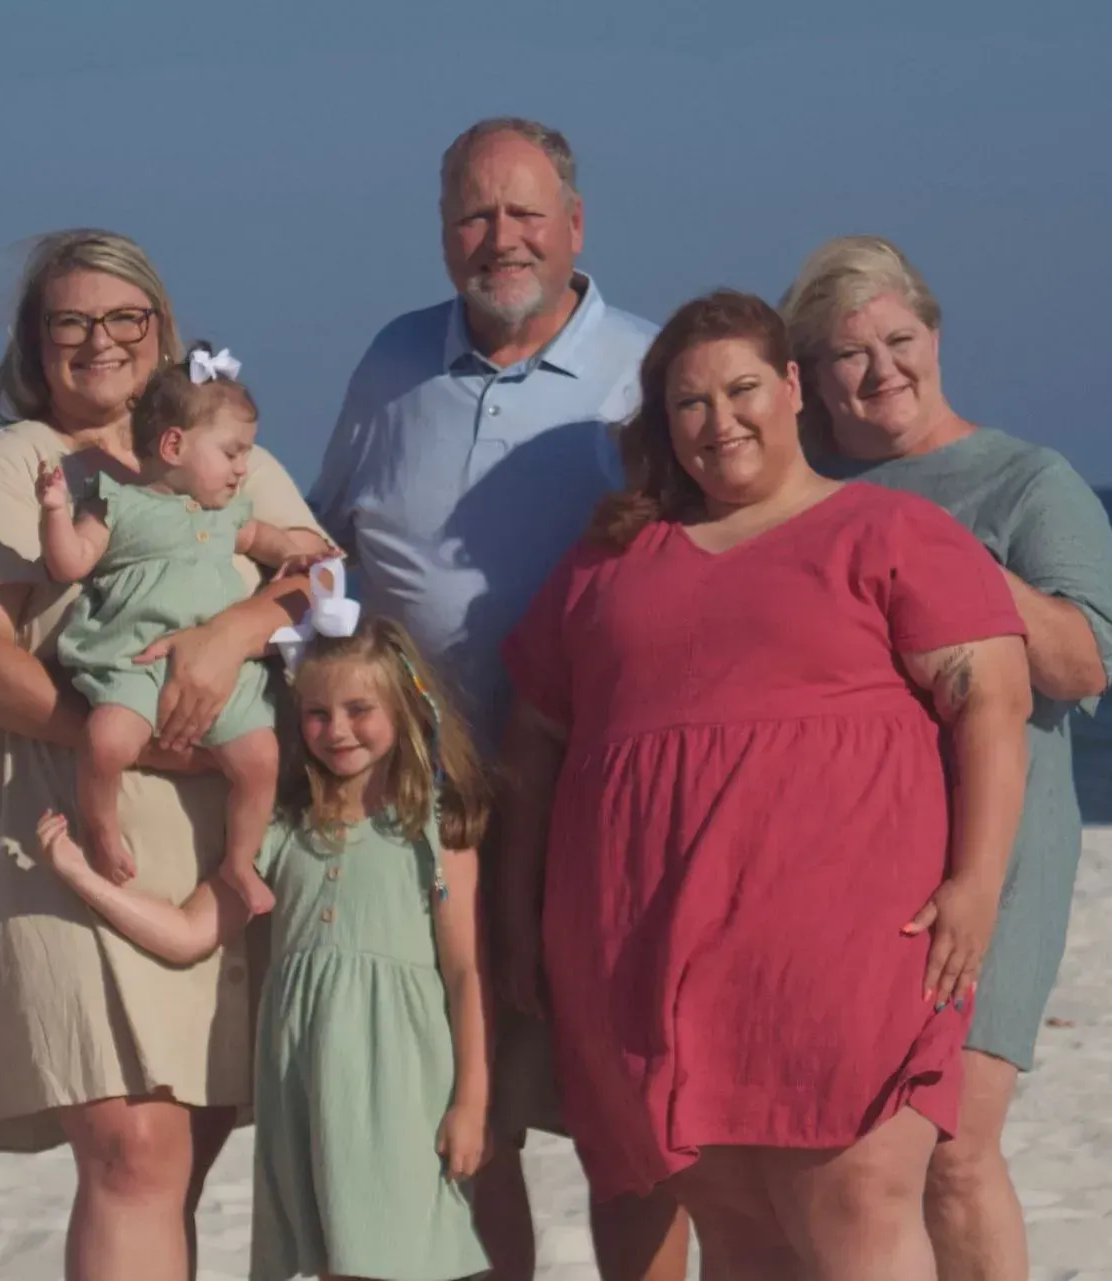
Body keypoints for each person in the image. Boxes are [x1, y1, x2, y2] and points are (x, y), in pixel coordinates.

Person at [499, 289, 1034, 1280]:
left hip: (845, 948)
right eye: (690, 405)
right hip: (645, 959)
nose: (719, 422)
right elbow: (533, 747)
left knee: (858, 1206)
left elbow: (992, 706)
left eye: (742, 389)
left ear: (792, 389)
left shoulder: (887, 532)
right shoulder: (612, 560)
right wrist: (523, 918)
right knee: (740, 1237)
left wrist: (978, 884)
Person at [0, 229, 326, 1281]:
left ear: (163, 332)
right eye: (70, 321)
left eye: (125, 318)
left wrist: (232, 634)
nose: (100, 341)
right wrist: (124, 738)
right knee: (133, 1147)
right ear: (34, 346)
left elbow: (320, 585)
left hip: (220, 832)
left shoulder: (236, 457)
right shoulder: (7, 471)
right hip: (50, 825)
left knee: (189, 1145)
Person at [307, 115, 683, 1281]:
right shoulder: (392, 361)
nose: (501, 238)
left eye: (526, 213)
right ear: (442, 232)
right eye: (476, 214)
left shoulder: (652, 367)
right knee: (467, 1112)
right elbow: (326, 548)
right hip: (429, 805)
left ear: (576, 224)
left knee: (629, 1122)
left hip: (605, 803)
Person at [781, 235, 1112, 1281]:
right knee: (845, 1156)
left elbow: (1085, 661)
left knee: (955, 1154)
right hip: (845, 862)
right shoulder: (802, 484)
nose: (882, 368)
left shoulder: (1026, 479)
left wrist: (957, 570)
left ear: (936, 337)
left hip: (999, 854)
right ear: (810, 377)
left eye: (899, 339)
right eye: (851, 353)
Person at [37, 616, 492, 1281]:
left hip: (403, 1082)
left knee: (404, 1253)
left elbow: (464, 973)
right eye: (316, 712)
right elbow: (190, 931)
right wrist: (81, 876)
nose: (337, 729)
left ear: (403, 704)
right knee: (340, 1256)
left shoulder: (434, 829)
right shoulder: (283, 831)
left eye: (359, 709)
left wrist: (471, 1102)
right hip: (307, 1082)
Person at [37, 343, 330, 917]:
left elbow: (266, 540)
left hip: (226, 675)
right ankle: (100, 826)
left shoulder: (228, 513)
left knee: (260, 758)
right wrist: (53, 510)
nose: (243, 467)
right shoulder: (117, 503)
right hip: (135, 661)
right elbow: (70, 562)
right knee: (106, 741)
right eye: (232, 452)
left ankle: (240, 862)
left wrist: (302, 555)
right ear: (173, 445)